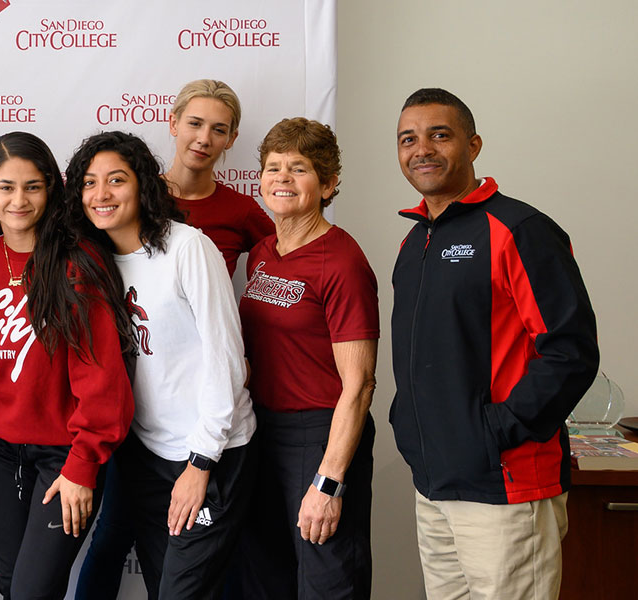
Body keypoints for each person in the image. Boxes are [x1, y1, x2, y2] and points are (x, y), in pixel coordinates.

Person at [390, 88, 598, 599]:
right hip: (434, 483)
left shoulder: (519, 230)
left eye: (441, 135)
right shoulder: (415, 240)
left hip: (507, 484)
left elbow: (570, 351)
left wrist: (495, 432)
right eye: (408, 139)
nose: (423, 149)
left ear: (474, 144)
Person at [72, 131, 256, 600]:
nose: (102, 194)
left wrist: (201, 462)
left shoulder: (187, 248)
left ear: (143, 185)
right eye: (90, 183)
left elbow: (225, 358)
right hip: (146, 456)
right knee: (161, 587)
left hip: (209, 451)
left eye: (116, 180)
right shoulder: (96, 261)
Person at [0, 132, 135, 599]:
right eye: (5, 187)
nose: (18, 200)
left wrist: (82, 466)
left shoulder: (77, 263)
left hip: (65, 454)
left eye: (32, 186)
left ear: (52, 189)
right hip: (0, 451)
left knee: (31, 593)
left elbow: (105, 381)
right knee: (10, 586)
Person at [233, 118, 378, 599]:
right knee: (264, 575)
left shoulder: (341, 261)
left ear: (329, 183)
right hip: (261, 432)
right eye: (273, 168)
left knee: (327, 580)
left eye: (298, 169)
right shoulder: (262, 253)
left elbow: (358, 386)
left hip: (319, 435)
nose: (282, 179)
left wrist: (329, 482)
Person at [162, 79, 273, 278]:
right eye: (195, 124)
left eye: (219, 130)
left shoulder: (240, 209)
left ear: (231, 139)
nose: (204, 139)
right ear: (173, 123)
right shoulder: (137, 196)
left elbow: (292, 257)